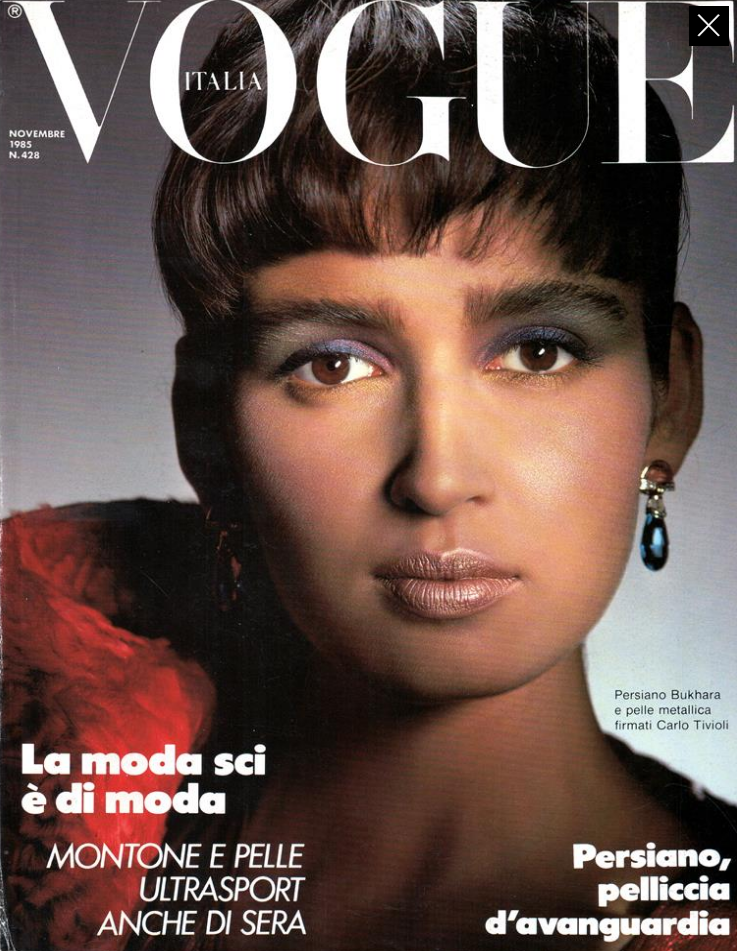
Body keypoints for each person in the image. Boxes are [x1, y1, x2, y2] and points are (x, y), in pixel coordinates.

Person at [3, 2, 735, 950]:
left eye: (538, 351)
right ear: (207, 428)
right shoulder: (46, 793)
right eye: (333, 364)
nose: (437, 477)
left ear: (670, 398)